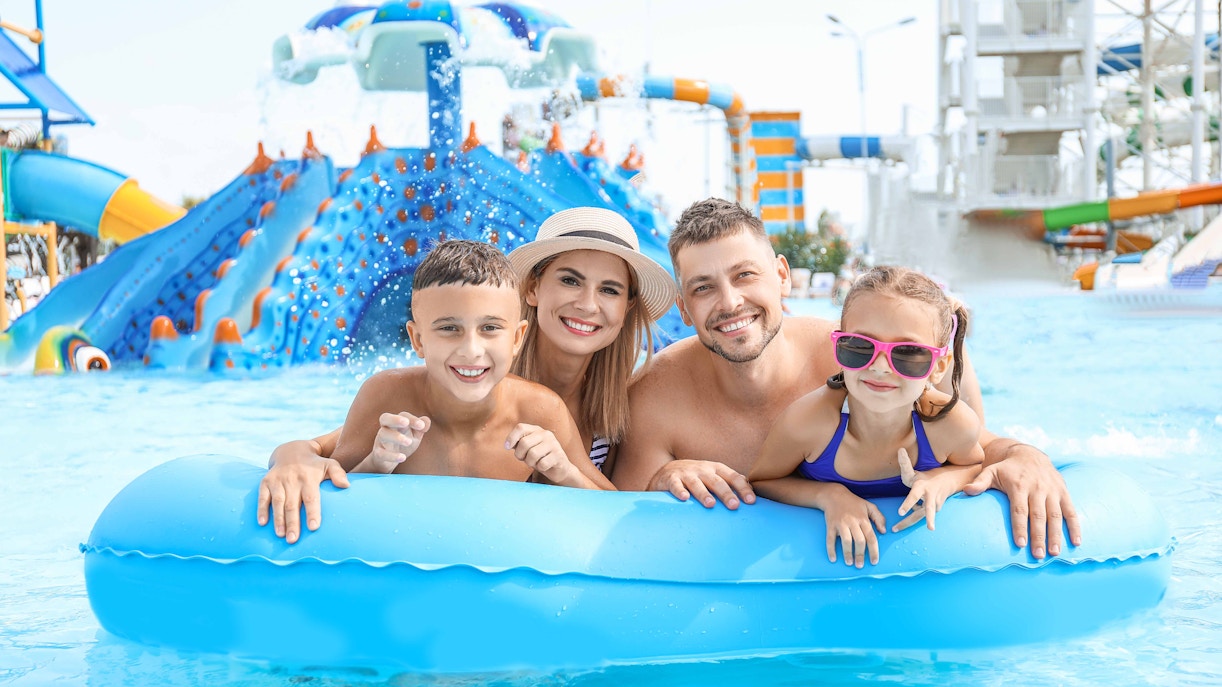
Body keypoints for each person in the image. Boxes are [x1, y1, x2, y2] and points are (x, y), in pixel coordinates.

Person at [611, 198, 1082, 562]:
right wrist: (662, 477)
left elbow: (970, 442)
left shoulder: (855, 358)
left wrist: (1027, 457)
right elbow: (613, 525)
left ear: (781, 277)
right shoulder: (655, 397)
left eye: (745, 275)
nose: (730, 302)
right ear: (683, 308)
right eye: (703, 287)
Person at [257, 207, 678, 542]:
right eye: (570, 280)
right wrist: (292, 453)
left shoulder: (622, 401)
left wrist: (568, 470)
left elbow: (622, 518)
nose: (588, 304)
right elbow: (334, 451)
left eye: (609, 289)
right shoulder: (468, 377)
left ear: (626, 308)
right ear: (531, 289)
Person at [749, 265, 984, 568]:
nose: (881, 367)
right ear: (837, 347)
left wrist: (942, 480)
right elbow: (761, 479)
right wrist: (828, 495)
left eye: (908, 353)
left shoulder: (949, 424)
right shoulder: (810, 423)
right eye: (860, 347)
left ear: (939, 366)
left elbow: (975, 463)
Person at [324, 239, 607, 488]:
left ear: (517, 338)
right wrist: (377, 463)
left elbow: (610, 504)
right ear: (417, 339)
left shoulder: (540, 410)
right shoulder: (386, 397)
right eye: (449, 329)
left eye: (490, 328)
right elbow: (329, 484)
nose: (471, 350)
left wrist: (564, 471)